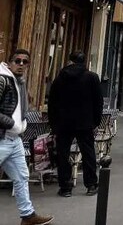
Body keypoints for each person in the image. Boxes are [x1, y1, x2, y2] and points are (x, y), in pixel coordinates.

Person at [0, 48, 54, 225]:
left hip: (13, 139)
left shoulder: (18, 81)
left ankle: (28, 215)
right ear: (9, 62)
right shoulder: (3, 79)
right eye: (17, 61)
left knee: (22, 176)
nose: (21, 64)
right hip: (2, 137)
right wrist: (13, 124)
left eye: (25, 61)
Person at [48, 51, 103, 198]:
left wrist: (53, 124)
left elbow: (52, 103)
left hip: (63, 122)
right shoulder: (92, 77)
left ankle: (65, 187)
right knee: (88, 153)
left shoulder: (60, 78)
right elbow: (98, 102)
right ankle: (91, 184)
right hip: (85, 122)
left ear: (70, 61)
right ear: (84, 62)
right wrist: (96, 121)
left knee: (63, 154)